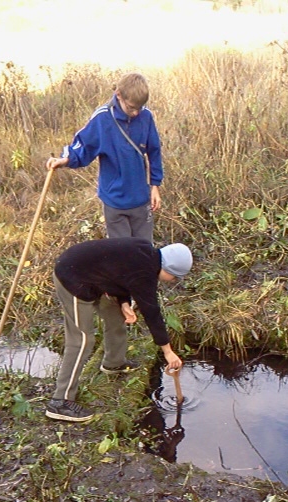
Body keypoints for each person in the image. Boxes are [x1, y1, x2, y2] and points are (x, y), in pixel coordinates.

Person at [45, 238, 192, 423]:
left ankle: (113, 363)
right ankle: (60, 401)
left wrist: (123, 302)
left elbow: (118, 271)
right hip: (72, 277)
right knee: (82, 340)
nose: (173, 281)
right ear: (168, 268)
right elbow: (152, 313)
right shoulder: (145, 272)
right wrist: (168, 352)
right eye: (175, 277)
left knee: (115, 315)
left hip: (93, 276)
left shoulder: (146, 253)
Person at [46, 72, 163, 242]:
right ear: (119, 95)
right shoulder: (102, 118)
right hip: (114, 201)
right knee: (121, 252)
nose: (136, 113)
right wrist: (65, 159)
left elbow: (154, 151)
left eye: (140, 107)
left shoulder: (146, 116)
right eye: (131, 107)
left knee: (145, 250)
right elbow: (84, 146)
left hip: (141, 199)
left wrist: (155, 186)